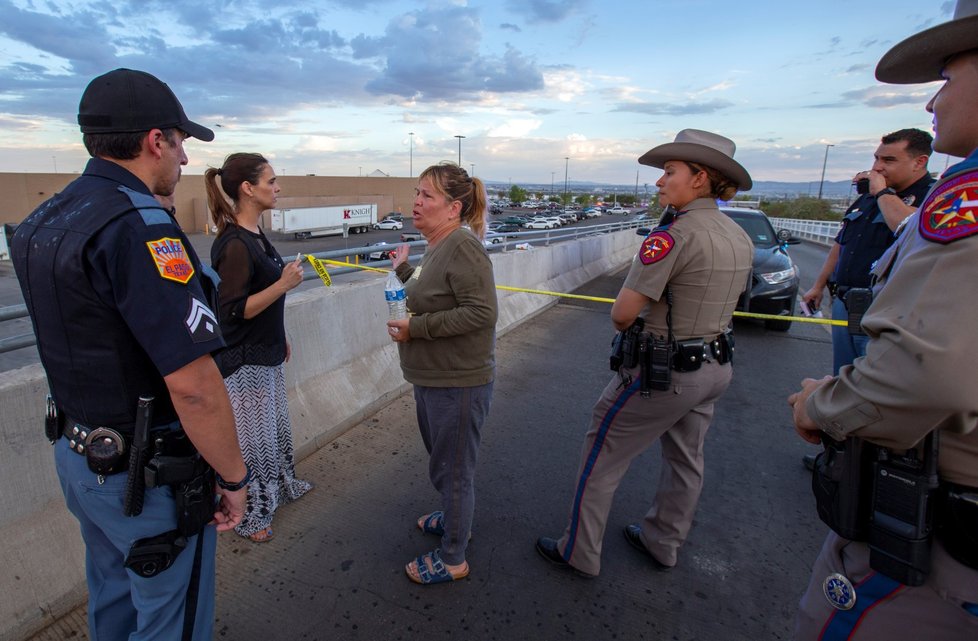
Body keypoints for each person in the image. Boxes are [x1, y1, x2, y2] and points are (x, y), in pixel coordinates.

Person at [10, 68, 248, 640]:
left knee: (113, 602)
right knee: (171, 622)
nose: (185, 161)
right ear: (155, 140)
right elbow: (193, 383)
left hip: (80, 459)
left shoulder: (43, 219)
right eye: (182, 143)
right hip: (146, 478)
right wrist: (234, 478)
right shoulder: (140, 230)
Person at [789, 2, 978, 637]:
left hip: (939, 538)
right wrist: (822, 286)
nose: (934, 103)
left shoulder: (954, 204)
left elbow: (922, 376)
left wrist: (819, 408)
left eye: (948, 79)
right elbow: (849, 249)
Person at [536, 129, 754, 578]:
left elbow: (622, 314)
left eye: (669, 172)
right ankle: (663, 542)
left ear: (699, 178)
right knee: (686, 460)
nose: (658, 182)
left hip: (663, 372)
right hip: (715, 368)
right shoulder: (738, 235)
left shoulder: (672, 236)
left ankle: (579, 552)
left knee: (603, 450)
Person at [386, 162, 498, 585]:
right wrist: (402, 268)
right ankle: (454, 517)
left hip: (458, 383)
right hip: (434, 379)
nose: (416, 202)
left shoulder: (463, 246)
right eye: (416, 193)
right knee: (444, 465)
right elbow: (429, 292)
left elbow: (482, 312)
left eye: (426, 196)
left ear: (453, 208)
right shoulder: (437, 246)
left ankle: (453, 557)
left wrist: (417, 328)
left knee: (453, 472)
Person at [799, 129, 934, 470]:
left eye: (888, 160)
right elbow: (841, 244)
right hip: (846, 302)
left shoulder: (931, 200)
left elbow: (910, 230)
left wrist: (883, 192)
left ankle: (875, 470)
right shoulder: (867, 199)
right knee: (843, 384)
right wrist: (818, 284)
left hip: (887, 312)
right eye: (876, 158)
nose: (877, 167)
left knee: (875, 394)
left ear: (920, 162)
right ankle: (836, 461)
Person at [205, 154, 313, 543]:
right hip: (244, 360)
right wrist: (283, 285)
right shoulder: (233, 244)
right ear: (247, 189)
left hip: (265, 352)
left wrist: (279, 334)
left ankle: (277, 488)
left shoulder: (255, 234)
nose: (277, 187)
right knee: (252, 442)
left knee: (271, 433)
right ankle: (251, 515)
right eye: (271, 181)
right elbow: (232, 311)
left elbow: (263, 302)